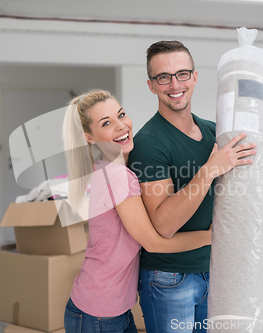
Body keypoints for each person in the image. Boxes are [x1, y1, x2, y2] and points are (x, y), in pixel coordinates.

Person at [128, 40, 257, 332]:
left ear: (195, 77)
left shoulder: (214, 132)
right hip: (169, 277)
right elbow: (163, 224)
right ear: (152, 85)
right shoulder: (149, 143)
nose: (175, 84)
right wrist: (210, 169)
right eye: (163, 77)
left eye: (182, 74)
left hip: (213, 268)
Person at [62, 89, 212, 333]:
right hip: (98, 314)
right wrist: (212, 236)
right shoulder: (117, 176)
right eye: (107, 123)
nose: (121, 126)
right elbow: (154, 242)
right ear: (89, 136)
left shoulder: (112, 168)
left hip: (109, 308)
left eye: (121, 115)